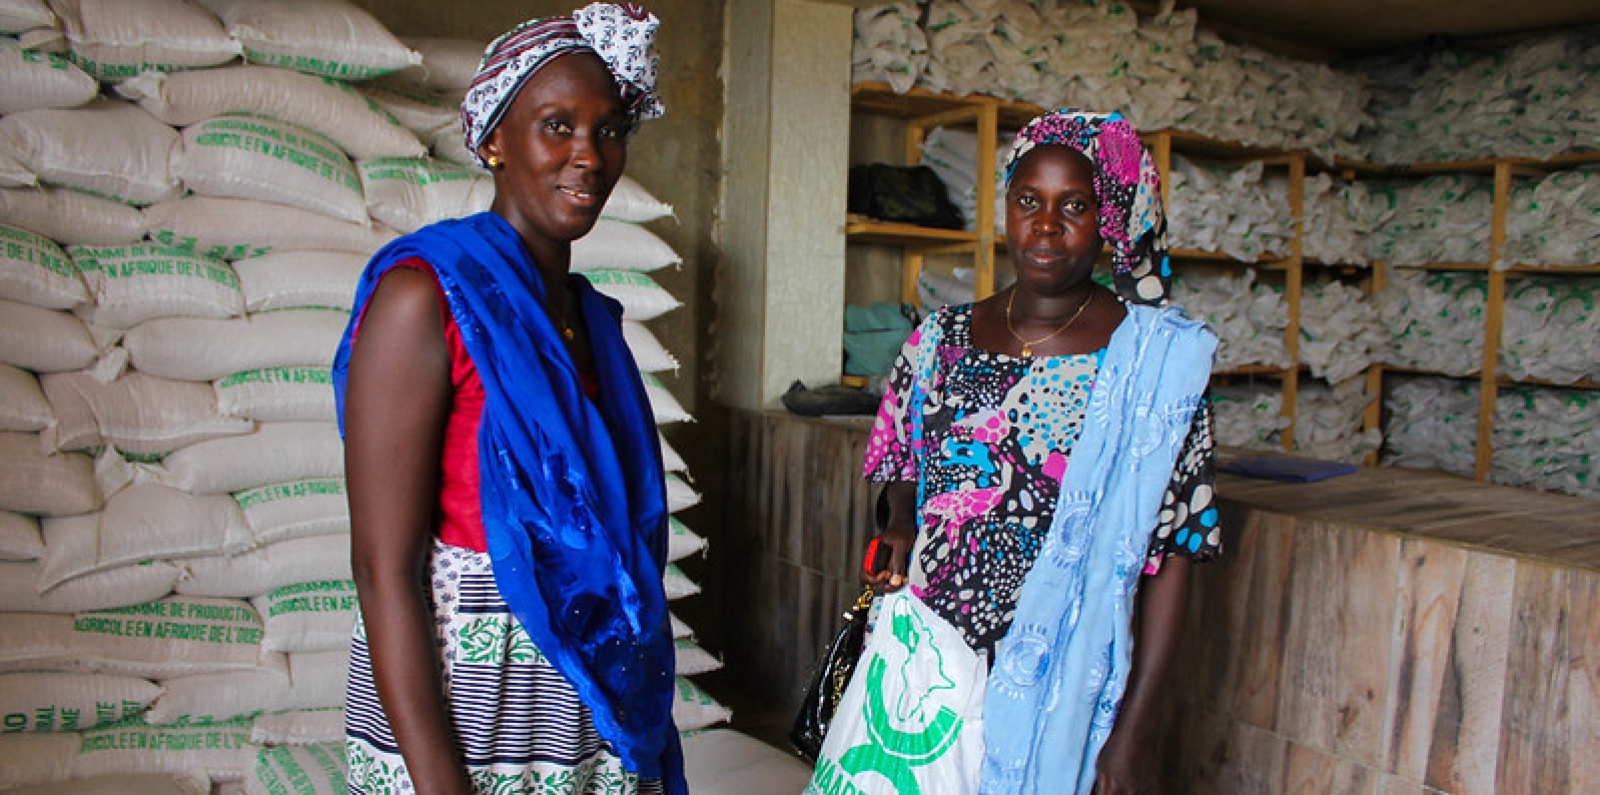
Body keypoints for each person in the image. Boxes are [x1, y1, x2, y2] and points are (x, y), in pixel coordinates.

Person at [331, 5, 685, 794]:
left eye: (609, 130)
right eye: (556, 126)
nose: (588, 156)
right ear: (494, 139)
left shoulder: (591, 319)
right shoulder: (425, 297)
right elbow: (381, 568)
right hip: (461, 700)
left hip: (581, 690)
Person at [858, 109, 1222, 795]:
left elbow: (1176, 554)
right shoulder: (939, 338)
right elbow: (900, 461)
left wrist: (1134, 730)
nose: (1046, 225)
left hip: (1066, 684)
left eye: (1073, 205)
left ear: (1110, 217)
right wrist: (899, 522)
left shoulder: (1153, 364)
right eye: (1029, 200)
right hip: (928, 661)